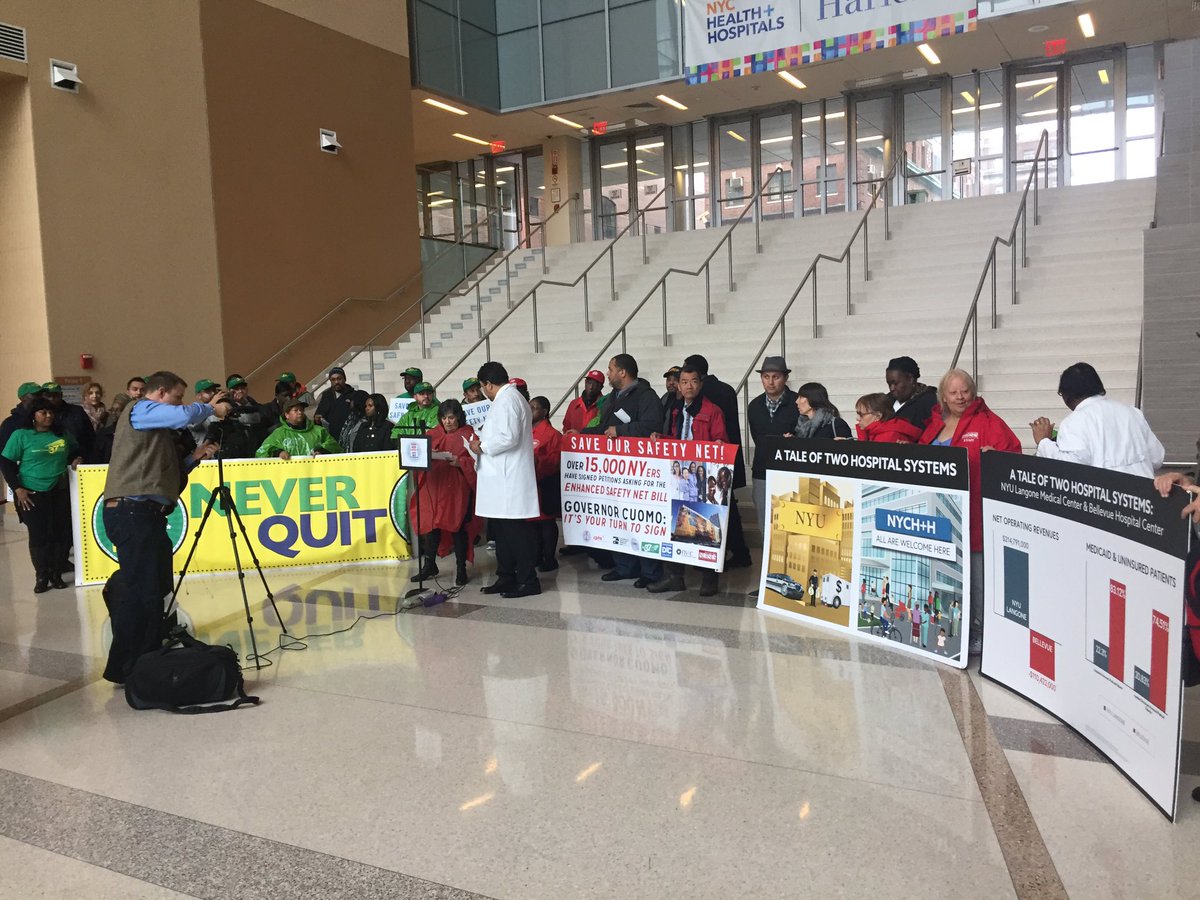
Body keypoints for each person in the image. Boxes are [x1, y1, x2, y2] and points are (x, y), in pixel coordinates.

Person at [101, 371, 224, 684]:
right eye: (177, 396)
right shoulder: (139, 409)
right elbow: (183, 415)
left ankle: (147, 660)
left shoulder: (157, 432)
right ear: (159, 393)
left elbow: (166, 480)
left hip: (148, 515)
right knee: (142, 593)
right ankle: (130, 667)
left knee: (156, 592)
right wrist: (209, 407)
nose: (180, 404)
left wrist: (194, 458)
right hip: (131, 512)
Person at [920, 368, 1021, 656]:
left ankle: (979, 631)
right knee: (946, 578)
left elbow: (1012, 458)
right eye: (954, 392)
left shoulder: (988, 422)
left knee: (977, 582)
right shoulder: (936, 423)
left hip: (974, 515)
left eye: (965, 390)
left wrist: (997, 460)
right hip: (941, 517)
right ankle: (950, 630)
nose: (960, 396)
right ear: (944, 396)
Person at [583, 354, 663, 589]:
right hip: (616, 473)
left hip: (641, 473)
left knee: (642, 521)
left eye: (610, 369)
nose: (607, 373)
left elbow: (652, 426)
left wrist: (622, 429)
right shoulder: (611, 398)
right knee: (618, 520)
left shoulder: (647, 397)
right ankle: (624, 566)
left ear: (623, 372)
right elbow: (603, 428)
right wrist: (583, 434)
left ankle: (650, 570)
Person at [650, 364, 728, 595]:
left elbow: (721, 440)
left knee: (706, 526)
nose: (688, 386)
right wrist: (660, 437)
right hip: (680, 476)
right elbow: (676, 439)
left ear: (700, 384)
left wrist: (718, 446)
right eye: (684, 382)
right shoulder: (676, 410)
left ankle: (709, 578)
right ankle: (674, 576)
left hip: (703, 476)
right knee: (674, 524)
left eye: (693, 381)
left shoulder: (712, 411)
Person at [469, 361, 541, 598]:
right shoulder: (508, 399)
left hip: (509, 479)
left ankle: (528, 580)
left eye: (482, 387)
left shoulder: (508, 400)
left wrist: (483, 446)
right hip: (500, 478)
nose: (484, 392)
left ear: (488, 384)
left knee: (515, 534)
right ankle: (506, 576)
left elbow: (508, 437)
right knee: (501, 533)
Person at [0, 398, 82, 592]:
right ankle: (42, 575)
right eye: (43, 412)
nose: (48, 416)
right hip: (31, 493)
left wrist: (77, 458)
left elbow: (74, 451)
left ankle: (56, 573)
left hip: (59, 490)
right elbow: (7, 463)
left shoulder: (62, 435)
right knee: (39, 535)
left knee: (60, 534)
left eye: (51, 412)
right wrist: (18, 488)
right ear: (33, 416)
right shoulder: (21, 435)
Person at [1031, 362, 1165, 477]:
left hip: (1105, 502)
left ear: (1066, 395)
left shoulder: (1075, 421)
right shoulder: (1133, 413)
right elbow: (1157, 458)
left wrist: (1043, 442)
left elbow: (1071, 468)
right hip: (1145, 500)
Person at [683, 354, 752, 568]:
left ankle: (713, 557)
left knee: (715, 511)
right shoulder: (726, 389)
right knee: (727, 509)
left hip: (709, 462)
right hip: (728, 458)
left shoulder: (705, 399)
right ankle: (739, 552)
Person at [409, 399, 480, 586]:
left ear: (459, 417)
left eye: (451, 417)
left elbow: (478, 462)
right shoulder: (433, 434)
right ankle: (429, 565)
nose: (447, 422)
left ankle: (461, 569)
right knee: (433, 526)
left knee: (457, 527)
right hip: (436, 485)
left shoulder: (469, 435)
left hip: (457, 488)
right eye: (444, 418)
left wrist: (461, 462)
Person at [747, 356, 799, 531]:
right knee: (764, 521)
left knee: (790, 522)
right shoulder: (754, 406)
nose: (770, 382)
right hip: (762, 469)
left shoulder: (798, 402)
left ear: (785, 378)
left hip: (791, 469)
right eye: (766, 377)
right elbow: (757, 437)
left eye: (775, 377)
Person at [530, 395, 564, 572]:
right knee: (533, 525)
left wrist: (538, 461)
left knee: (546, 523)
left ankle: (549, 557)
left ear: (544, 412)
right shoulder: (525, 432)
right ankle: (536, 555)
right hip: (528, 485)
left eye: (534, 407)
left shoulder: (552, 434)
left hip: (544, 483)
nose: (530, 410)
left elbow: (555, 461)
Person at [255, 399, 340, 458]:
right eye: (296, 410)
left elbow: (335, 447)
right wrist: (278, 452)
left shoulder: (319, 431)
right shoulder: (278, 434)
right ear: (287, 415)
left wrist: (322, 450)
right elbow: (261, 453)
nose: (300, 412)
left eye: (301, 410)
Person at [882, 356, 937, 437]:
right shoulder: (885, 401)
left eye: (896, 383)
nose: (891, 388)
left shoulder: (929, 402)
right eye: (889, 384)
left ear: (910, 379)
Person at [42, 382, 95, 464]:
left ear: (61, 395)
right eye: (48, 396)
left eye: (55, 395)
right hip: (50, 462)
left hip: (77, 461)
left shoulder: (77, 411)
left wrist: (82, 456)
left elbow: (90, 438)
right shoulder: (39, 414)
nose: (51, 399)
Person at [219, 374, 267, 458]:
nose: (240, 391)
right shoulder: (225, 404)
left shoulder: (253, 403)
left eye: (242, 388)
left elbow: (261, 418)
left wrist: (244, 403)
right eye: (236, 389)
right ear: (229, 391)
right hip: (235, 448)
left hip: (255, 445)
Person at [314, 366, 357, 440]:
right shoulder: (326, 396)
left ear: (344, 379)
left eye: (339, 379)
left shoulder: (354, 395)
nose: (336, 382)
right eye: (333, 380)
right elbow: (319, 414)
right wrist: (317, 419)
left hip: (347, 438)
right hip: (330, 438)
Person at [186, 379, 221, 448]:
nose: (213, 393)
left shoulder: (218, 408)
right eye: (208, 391)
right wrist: (211, 405)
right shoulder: (194, 410)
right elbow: (193, 425)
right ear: (199, 396)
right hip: (205, 454)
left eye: (214, 390)